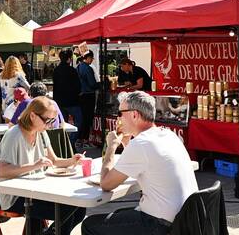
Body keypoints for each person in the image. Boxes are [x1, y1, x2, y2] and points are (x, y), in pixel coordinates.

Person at [82, 91, 198, 234]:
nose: (119, 118)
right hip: (187, 220)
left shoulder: (142, 143)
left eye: (120, 113)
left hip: (162, 224)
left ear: (134, 115)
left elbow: (106, 184)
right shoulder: (168, 134)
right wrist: (127, 144)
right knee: (119, 214)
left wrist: (111, 146)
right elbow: (145, 164)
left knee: (89, 224)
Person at [0, 96, 86, 235]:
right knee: (65, 210)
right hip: (15, 195)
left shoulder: (41, 133)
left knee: (80, 208)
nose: (50, 125)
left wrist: (72, 160)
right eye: (47, 120)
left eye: (52, 120)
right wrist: (34, 165)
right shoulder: (14, 135)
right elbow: (2, 171)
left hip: (36, 189)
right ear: (32, 115)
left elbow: (54, 160)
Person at [53, 48, 82, 145]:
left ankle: (64, 142)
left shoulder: (56, 70)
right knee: (79, 121)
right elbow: (78, 86)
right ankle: (71, 141)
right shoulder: (72, 70)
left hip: (59, 102)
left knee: (62, 124)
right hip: (72, 101)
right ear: (69, 59)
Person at [77, 51, 99, 148]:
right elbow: (92, 84)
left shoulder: (78, 67)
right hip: (89, 95)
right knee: (88, 118)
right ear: (89, 57)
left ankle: (80, 139)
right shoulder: (88, 68)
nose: (92, 60)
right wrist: (101, 84)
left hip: (80, 95)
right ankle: (85, 140)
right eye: (92, 58)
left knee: (82, 117)